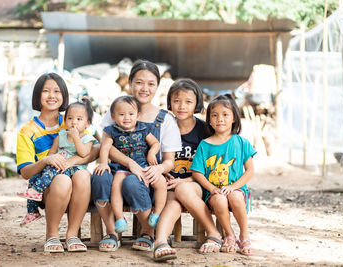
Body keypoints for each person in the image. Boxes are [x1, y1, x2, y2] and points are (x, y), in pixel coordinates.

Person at [91, 59, 182, 252]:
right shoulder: (117, 109)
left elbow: (169, 162)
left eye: (151, 84)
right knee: (99, 178)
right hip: (119, 169)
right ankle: (112, 232)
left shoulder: (165, 119)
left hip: (147, 174)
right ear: (130, 82)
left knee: (132, 182)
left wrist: (157, 169)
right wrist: (130, 163)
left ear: (157, 86)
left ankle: (148, 232)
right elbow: (106, 144)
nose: (144, 88)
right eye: (139, 82)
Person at [16, 73, 99, 253]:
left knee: (84, 175)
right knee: (62, 180)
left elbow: (95, 148)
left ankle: (72, 234)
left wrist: (72, 161)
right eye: (46, 91)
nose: (51, 95)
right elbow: (25, 172)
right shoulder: (27, 131)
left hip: (77, 183)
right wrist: (46, 160)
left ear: (64, 96)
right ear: (37, 95)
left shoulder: (73, 119)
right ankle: (52, 235)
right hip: (48, 186)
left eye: (57, 91)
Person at [152, 79, 223, 262]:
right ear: (170, 102)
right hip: (169, 184)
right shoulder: (165, 126)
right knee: (173, 202)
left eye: (188, 102)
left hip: (196, 183)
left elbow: (212, 166)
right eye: (176, 101)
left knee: (183, 190)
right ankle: (160, 243)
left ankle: (213, 232)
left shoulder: (204, 130)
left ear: (197, 104)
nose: (182, 106)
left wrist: (186, 181)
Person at [190, 94, 256, 256]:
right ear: (209, 120)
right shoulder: (205, 145)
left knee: (234, 197)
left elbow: (250, 171)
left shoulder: (241, 142)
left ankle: (244, 234)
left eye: (225, 114)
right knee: (220, 199)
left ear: (234, 118)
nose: (220, 119)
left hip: (237, 189)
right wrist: (212, 189)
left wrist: (233, 187)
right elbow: (197, 172)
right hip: (214, 192)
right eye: (215, 115)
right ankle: (229, 234)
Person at [94, 95, 166, 234]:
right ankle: (120, 218)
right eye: (121, 114)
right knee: (116, 186)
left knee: (161, 182)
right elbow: (105, 147)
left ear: (138, 115)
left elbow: (156, 143)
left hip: (143, 165)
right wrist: (103, 163)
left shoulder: (143, 129)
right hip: (121, 168)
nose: (126, 117)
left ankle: (156, 213)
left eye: (131, 114)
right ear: (113, 116)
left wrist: (151, 153)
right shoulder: (111, 131)